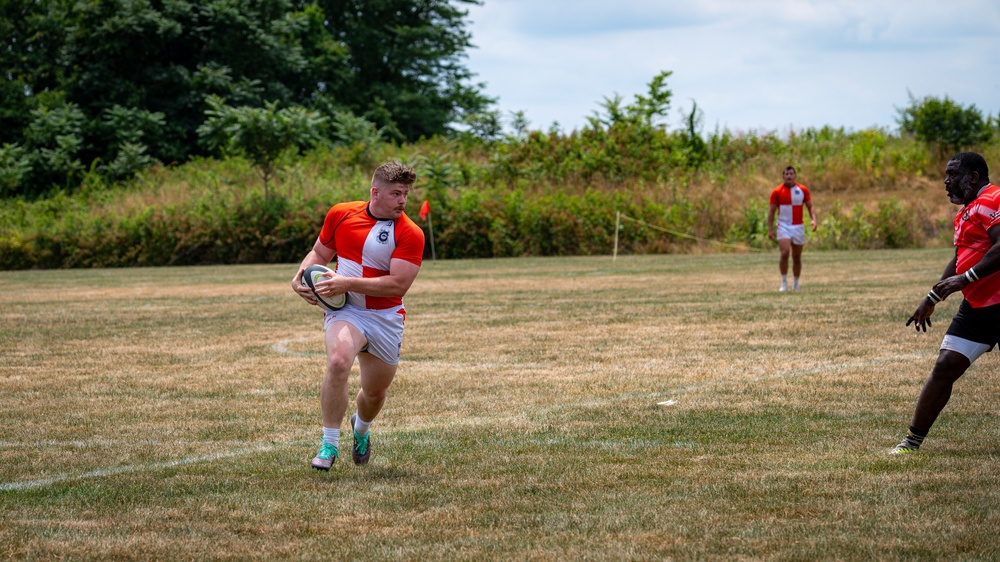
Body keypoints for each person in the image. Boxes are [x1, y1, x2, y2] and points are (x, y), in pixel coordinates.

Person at [291, 162, 425, 469]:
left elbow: (398, 284)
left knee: (375, 394)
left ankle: (361, 428)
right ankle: (329, 445)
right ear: (375, 192)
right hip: (346, 309)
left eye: (406, 194)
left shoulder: (410, 233)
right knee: (338, 361)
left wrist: (346, 282)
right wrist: (299, 276)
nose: (403, 200)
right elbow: (319, 254)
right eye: (396, 193)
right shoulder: (341, 214)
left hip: (385, 316)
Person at [892, 152, 1000, 454]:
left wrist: (964, 280)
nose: (946, 180)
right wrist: (933, 297)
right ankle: (911, 443)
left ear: (973, 177)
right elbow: (959, 259)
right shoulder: (966, 211)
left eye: (953, 174)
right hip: (978, 308)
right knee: (945, 365)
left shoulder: (993, 199)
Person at [767, 166, 817, 291]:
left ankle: (796, 283)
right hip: (783, 225)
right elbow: (771, 211)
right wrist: (770, 229)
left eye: (791, 174)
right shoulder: (777, 191)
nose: (789, 176)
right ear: (783, 176)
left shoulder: (803, 190)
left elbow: (810, 206)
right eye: (786, 174)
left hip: (798, 226)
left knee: (797, 256)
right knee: (784, 253)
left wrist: (814, 219)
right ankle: (784, 283)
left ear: (795, 176)